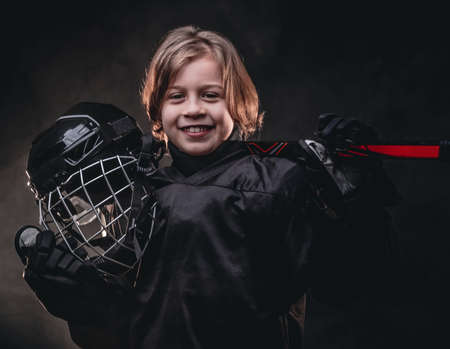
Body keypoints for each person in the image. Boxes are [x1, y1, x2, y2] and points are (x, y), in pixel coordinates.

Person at [18, 25, 399, 349]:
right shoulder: (142, 197)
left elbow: (349, 286)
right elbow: (132, 332)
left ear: (238, 103)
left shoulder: (276, 184)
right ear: (157, 112)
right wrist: (84, 308)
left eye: (211, 95)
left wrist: (357, 199)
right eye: (176, 96)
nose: (194, 109)